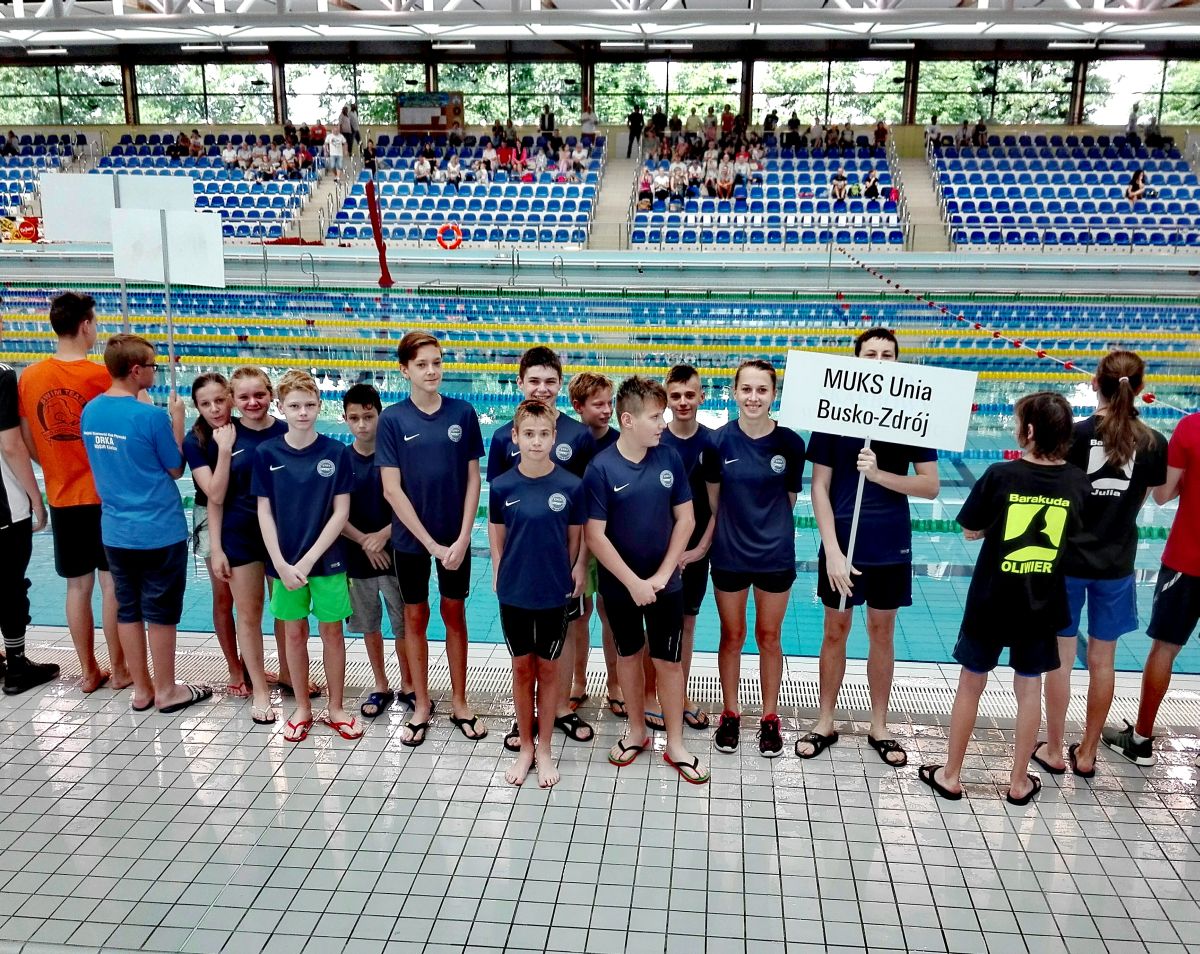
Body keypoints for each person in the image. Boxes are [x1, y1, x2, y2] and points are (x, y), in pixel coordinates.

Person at [920, 392, 1089, 804]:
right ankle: (1017, 781)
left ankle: (952, 774)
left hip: (992, 599)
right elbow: (1076, 536)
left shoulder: (1000, 475)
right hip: (1041, 602)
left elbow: (971, 529)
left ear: (1028, 431)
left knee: (971, 683)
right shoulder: (1076, 481)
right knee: (1029, 687)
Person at [799, 328, 940, 766]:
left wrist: (880, 475)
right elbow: (818, 488)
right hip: (842, 545)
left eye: (887, 354)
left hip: (890, 544)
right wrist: (833, 551)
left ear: (896, 363)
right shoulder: (831, 416)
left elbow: (931, 486)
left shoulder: (912, 417)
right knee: (834, 632)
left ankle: (879, 725)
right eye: (871, 354)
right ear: (856, 361)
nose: (879, 360)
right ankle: (826, 719)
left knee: (882, 632)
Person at [1033, 352, 1167, 778]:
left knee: (1060, 657)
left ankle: (1054, 749)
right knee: (1102, 662)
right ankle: (1087, 753)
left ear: (1095, 383)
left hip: (1068, 560)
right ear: (1140, 386)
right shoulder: (1152, 442)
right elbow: (1147, 498)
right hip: (1116, 563)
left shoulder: (1073, 435)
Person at [584, 376, 708, 785]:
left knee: (669, 664)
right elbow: (595, 535)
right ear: (628, 420)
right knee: (629, 657)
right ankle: (636, 731)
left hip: (666, 584)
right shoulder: (601, 468)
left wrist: (662, 573)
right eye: (656, 416)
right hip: (621, 587)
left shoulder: (669, 458)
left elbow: (686, 519)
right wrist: (634, 581)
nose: (663, 423)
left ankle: (675, 743)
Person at [81, 335, 211, 716]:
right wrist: (177, 420)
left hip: (116, 532)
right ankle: (168, 690)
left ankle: (142, 690)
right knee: (161, 612)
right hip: (158, 530)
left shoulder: (90, 411)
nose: (155, 371)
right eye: (153, 366)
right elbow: (174, 467)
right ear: (136, 370)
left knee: (129, 610)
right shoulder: (150, 417)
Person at [378, 331, 486, 747]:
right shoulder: (393, 419)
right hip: (411, 542)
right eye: (422, 364)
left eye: (437, 363)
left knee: (455, 616)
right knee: (415, 619)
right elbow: (392, 489)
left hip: (454, 538)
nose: (431, 371)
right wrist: (432, 545)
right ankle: (422, 703)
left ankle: (459, 700)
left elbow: (474, 479)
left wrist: (461, 538)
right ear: (404, 369)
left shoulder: (462, 412)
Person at [18, 291, 127, 694]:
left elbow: (27, 434)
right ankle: (121, 670)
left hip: (62, 496)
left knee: (76, 587)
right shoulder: (99, 376)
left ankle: (88, 671)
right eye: (95, 322)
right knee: (112, 584)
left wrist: (50, 464)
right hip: (104, 496)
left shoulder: (30, 376)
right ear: (85, 325)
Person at [486, 347, 594, 750]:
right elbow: (501, 510)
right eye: (534, 381)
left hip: (560, 563)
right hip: (521, 569)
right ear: (521, 383)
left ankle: (561, 707)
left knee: (562, 638)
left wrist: (581, 563)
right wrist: (498, 565)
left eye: (550, 381)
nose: (542, 388)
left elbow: (582, 510)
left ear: (560, 385)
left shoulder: (578, 435)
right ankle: (526, 721)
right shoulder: (502, 438)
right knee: (525, 656)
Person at [705, 360, 804, 758]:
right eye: (746, 389)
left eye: (761, 390)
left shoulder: (791, 444)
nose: (753, 397)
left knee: (769, 636)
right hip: (729, 553)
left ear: (773, 395)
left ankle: (769, 717)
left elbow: (789, 500)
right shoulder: (718, 442)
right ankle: (731, 712)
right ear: (734, 392)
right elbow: (715, 500)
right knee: (732, 636)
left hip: (775, 554)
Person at [253, 371, 356, 742]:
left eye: (309, 405)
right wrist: (279, 562)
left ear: (319, 406)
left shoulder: (335, 452)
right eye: (294, 406)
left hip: (327, 562)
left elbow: (340, 513)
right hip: (283, 564)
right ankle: (302, 708)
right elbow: (264, 511)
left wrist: (309, 560)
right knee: (293, 634)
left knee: (332, 633)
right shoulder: (267, 454)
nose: (302, 412)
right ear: (281, 408)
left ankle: (337, 707)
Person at [1102, 402, 1200, 767]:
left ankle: (1141, 740)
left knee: (1165, 649)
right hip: (1186, 559)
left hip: (1187, 560)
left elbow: (1161, 494)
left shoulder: (1191, 428)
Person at [207, 367, 308, 702]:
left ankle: (288, 674)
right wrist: (217, 548)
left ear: (271, 395)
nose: (253, 402)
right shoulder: (224, 436)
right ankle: (260, 691)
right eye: (244, 397)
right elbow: (215, 499)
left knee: (286, 612)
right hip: (241, 537)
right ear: (233, 400)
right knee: (249, 615)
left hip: (283, 538)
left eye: (259, 395)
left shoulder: (287, 430)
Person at [340, 384, 412, 721]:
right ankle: (381, 685)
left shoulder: (395, 458)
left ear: (380, 416)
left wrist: (382, 537)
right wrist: (366, 543)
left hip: (395, 554)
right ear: (344, 420)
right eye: (354, 418)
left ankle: (409, 684)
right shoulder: (341, 460)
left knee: (402, 626)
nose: (362, 425)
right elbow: (334, 515)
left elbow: (409, 505)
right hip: (357, 559)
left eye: (369, 417)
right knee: (370, 626)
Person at [650, 365, 715, 733]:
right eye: (675, 395)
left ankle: (681, 695)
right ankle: (648, 694)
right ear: (666, 399)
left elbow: (716, 506)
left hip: (695, 554)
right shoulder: (657, 440)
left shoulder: (712, 443)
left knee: (686, 625)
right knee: (653, 627)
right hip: (657, 555)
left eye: (690, 394)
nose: (683, 402)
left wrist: (701, 549)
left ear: (702, 396)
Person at [182, 373, 245, 697]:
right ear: (197, 406)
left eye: (220, 400)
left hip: (248, 515)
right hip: (212, 517)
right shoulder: (195, 441)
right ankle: (235, 669)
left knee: (255, 603)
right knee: (224, 597)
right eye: (205, 404)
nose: (215, 409)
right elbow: (214, 493)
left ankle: (254, 664)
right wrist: (224, 450)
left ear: (231, 397)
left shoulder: (245, 427)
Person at [0, 361, 59, 695]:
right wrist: (36, 496)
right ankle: (17, 666)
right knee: (10, 586)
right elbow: (10, 444)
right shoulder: (2, 374)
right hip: (4, 505)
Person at [569, 371, 621, 714]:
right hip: (578, 543)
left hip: (612, 542)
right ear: (578, 406)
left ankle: (614, 683)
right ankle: (578, 681)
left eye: (610, 403)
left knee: (610, 614)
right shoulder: (569, 444)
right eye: (598, 404)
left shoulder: (620, 442)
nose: (606, 410)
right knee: (579, 616)